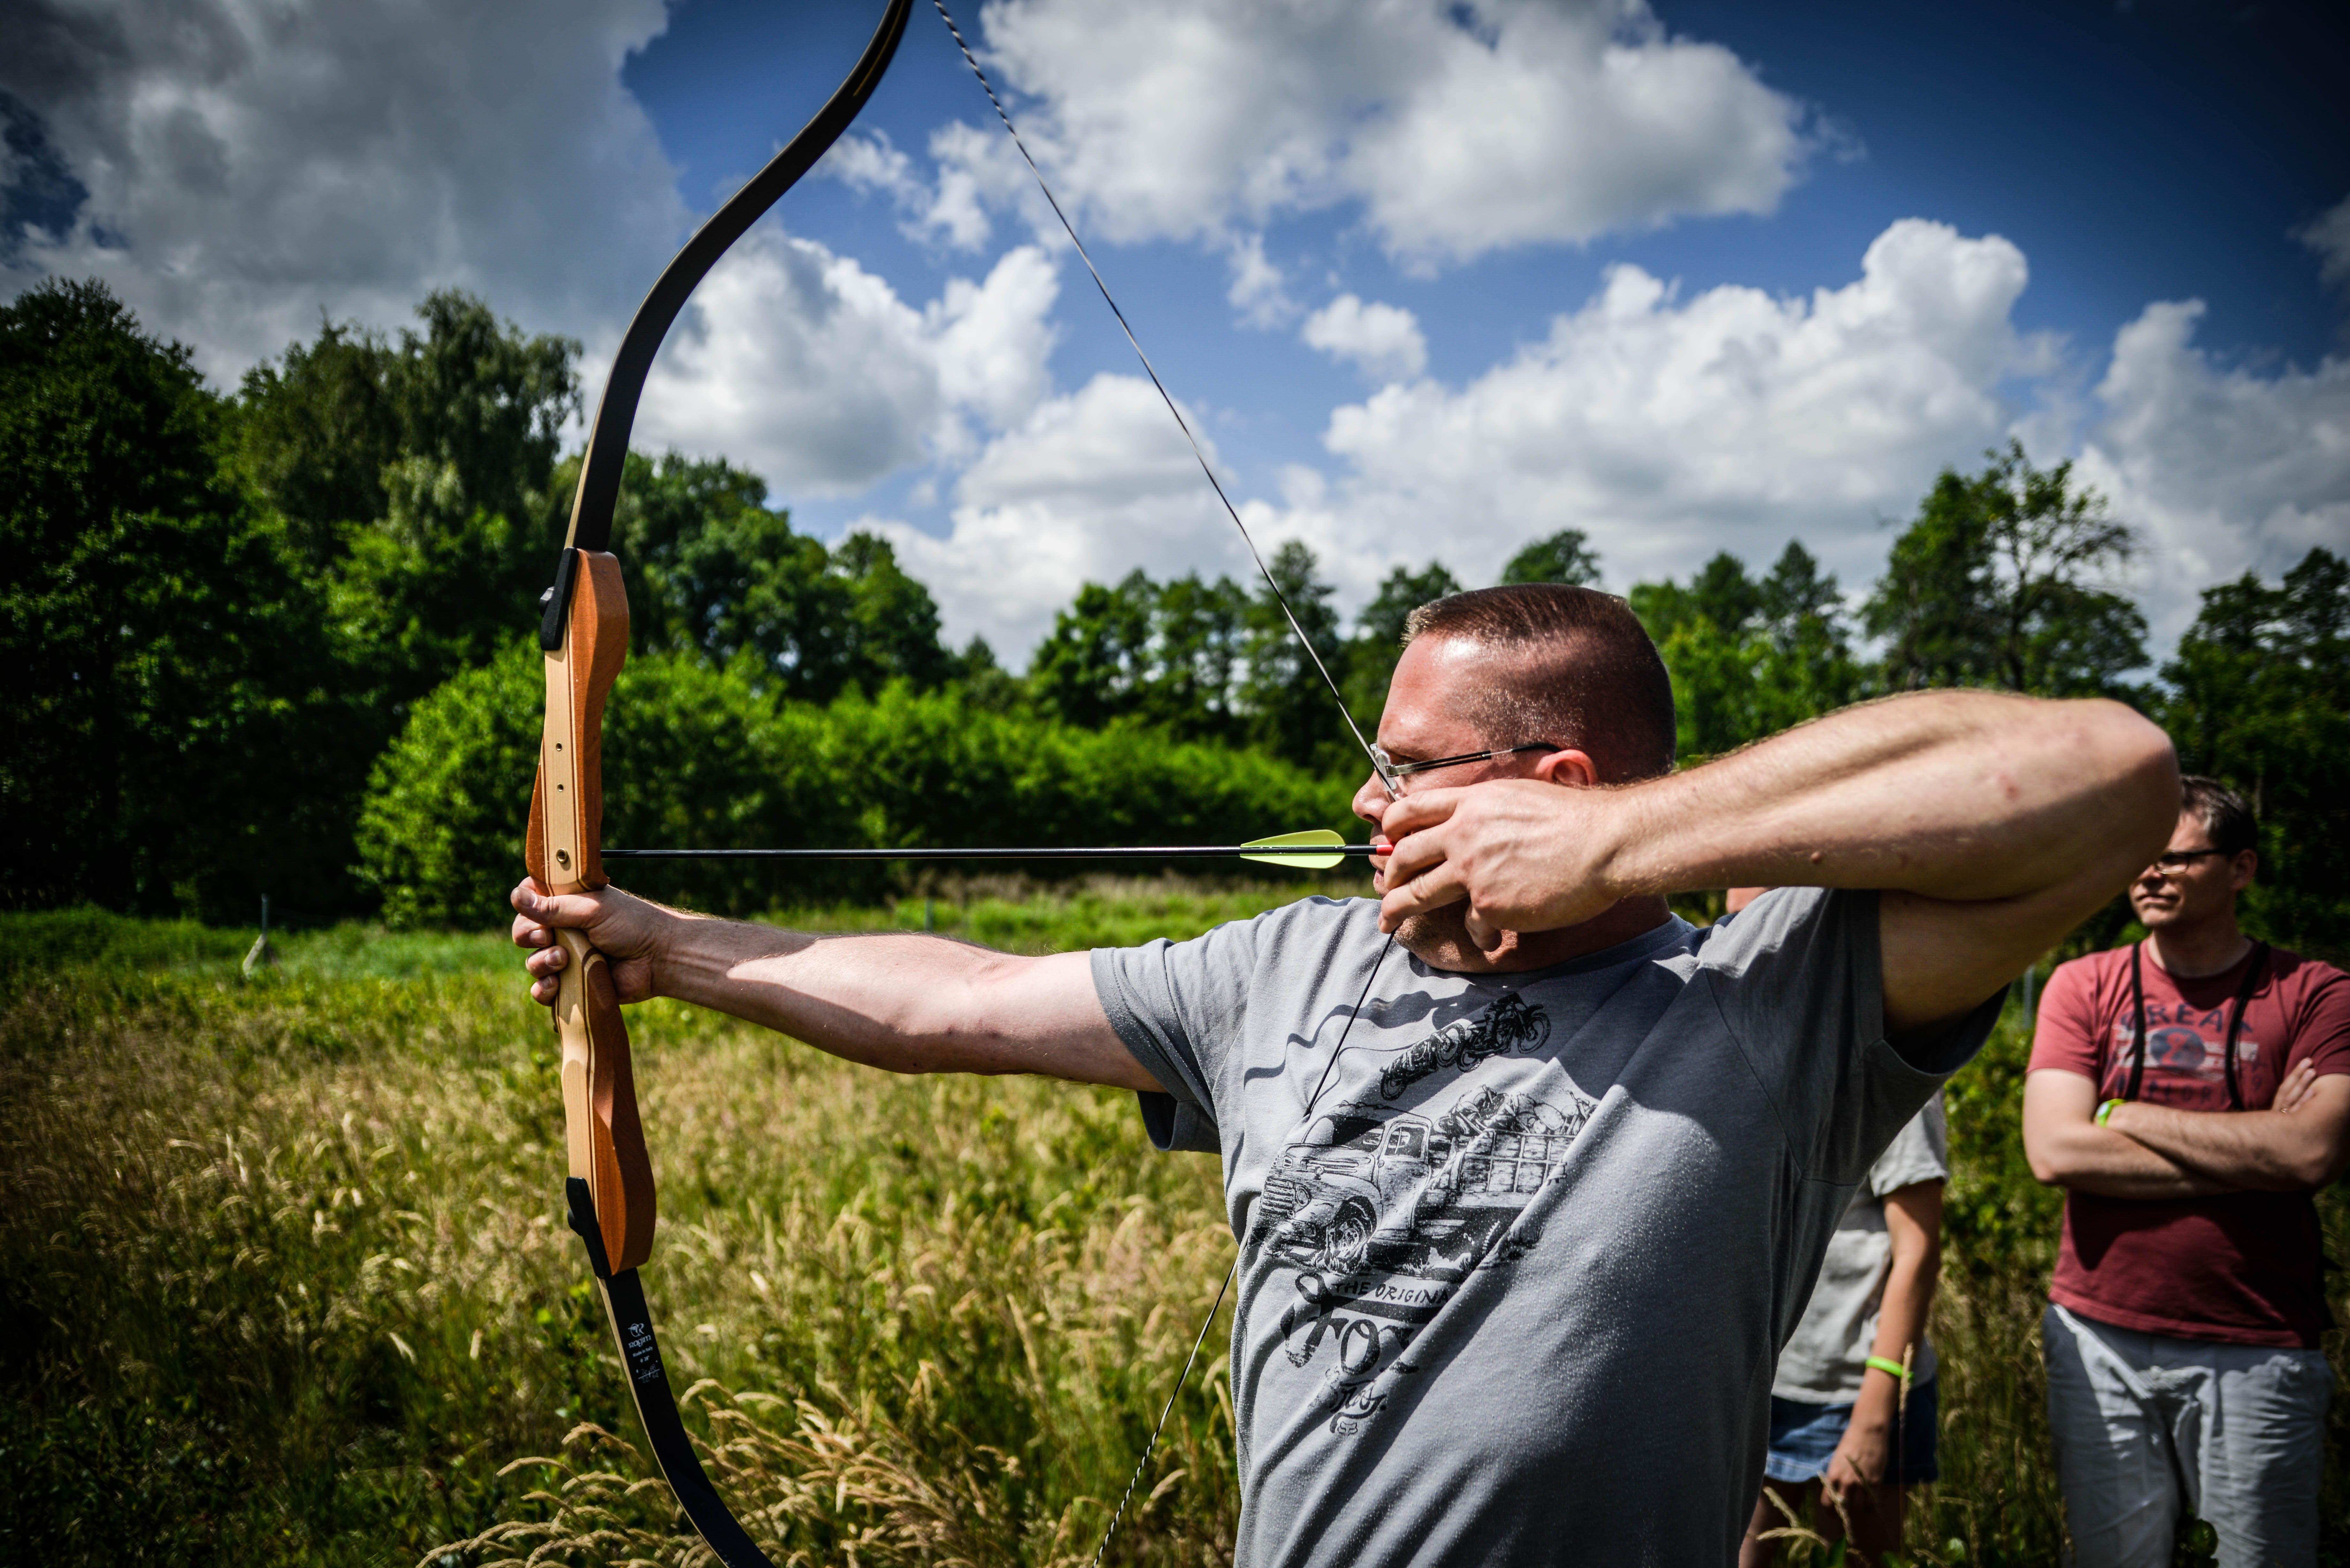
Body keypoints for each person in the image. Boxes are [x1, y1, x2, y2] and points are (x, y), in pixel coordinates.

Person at [514, 584, 2178, 1567]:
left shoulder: (1768, 1001)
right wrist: (666, 947)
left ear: (1558, 782)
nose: (1368, 804)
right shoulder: (1283, 969)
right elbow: (961, 1000)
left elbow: (2119, 769)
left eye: (1405, 768)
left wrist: (1627, 845)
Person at [2022, 776, 2350, 1568]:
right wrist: (2256, 1146)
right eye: (2137, 858)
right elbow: (2055, 1151)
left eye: (2174, 858)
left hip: (2256, 1341)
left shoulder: (2315, 993)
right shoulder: (2084, 984)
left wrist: (2123, 1115)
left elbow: (2311, 1153)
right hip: (2095, 1337)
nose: (2147, 874)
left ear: (2239, 868)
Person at [1731, 908, 1946, 1559]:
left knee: (1857, 1550)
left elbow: (1916, 1248)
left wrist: (1876, 1406)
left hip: (1853, 1384)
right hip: (1757, 1382)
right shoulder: (1735, 1049)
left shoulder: (1883, 1063)